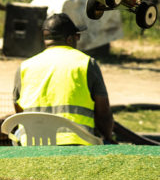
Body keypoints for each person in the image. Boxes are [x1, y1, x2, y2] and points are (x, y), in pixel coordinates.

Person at [12, 13, 115, 145]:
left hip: (33, 144)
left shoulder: (24, 67)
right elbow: (103, 113)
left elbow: (19, 110)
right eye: (77, 36)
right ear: (70, 39)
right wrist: (107, 137)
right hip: (77, 143)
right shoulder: (87, 64)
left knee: (16, 135)